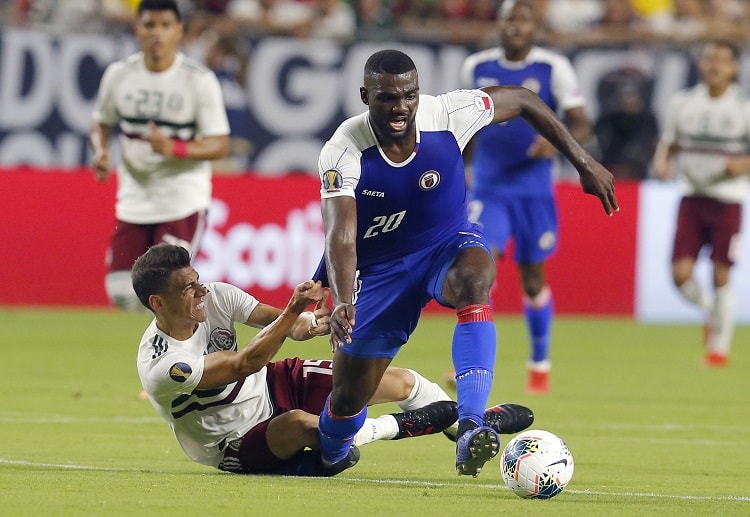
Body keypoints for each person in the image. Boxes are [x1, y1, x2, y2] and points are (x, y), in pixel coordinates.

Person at [313, 49, 617, 477]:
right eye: (387, 98)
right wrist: (343, 298)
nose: (400, 107)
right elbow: (341, 234)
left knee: (476, 276)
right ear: (365, 96)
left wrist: (583, 162)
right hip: (383, 271)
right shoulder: (343, 149)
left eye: (409, 95)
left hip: (446, 244)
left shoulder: (446, 113)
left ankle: (472, 425)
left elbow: (525, 100)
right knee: (347, 399)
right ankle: (331, 451)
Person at [133, 243, 535, 476]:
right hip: (231, 440)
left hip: (273, 384)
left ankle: (466, 429)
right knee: (302, 426)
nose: (200, 290)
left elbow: (278, 324)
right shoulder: (165, 365)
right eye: (187, 288)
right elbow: (242, 364)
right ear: (158, 303)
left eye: (197, 279)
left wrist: (310, 321)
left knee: (399, 382)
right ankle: (379, 433)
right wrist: (293, 312)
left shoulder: (217, 295)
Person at [459, 0, 594, 394]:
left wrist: (555, 144)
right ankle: (475, 363)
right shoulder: (477, 67)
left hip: (534, 191)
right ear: (498, 27)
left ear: (534, 27)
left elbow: (581, 123)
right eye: (508, 20)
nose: (514, 27)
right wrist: (457, 168)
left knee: (533, 280)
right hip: (489, 187)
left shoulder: (553, 67)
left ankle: (539, 362)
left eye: (522, 20)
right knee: (479, 267)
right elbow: (465, 126)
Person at [90, 0, 230, 312]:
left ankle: (177, 359)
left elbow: (219, 144)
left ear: (179, 31)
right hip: (134, 198)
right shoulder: (119, 75)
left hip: (181, 199)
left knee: (168, 292)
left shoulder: (198, 80)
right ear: (136, 29)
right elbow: (101, 121)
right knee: (122, 294)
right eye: (150, 24)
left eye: (165, 25)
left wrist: (175, 148)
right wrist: (100, 152)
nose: (157, 33)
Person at [652, 40, 750, 367]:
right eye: (709, 59)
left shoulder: (743, 107)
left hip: (728, 199)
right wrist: (662, 161)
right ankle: (712, 311)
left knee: (721, 274)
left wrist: (743, 164)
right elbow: (670, 142)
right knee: (680, 275)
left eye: (722, 60)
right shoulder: (683, 103)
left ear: (734, 68)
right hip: (692, 196)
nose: (714, 66)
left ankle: (718, 350)